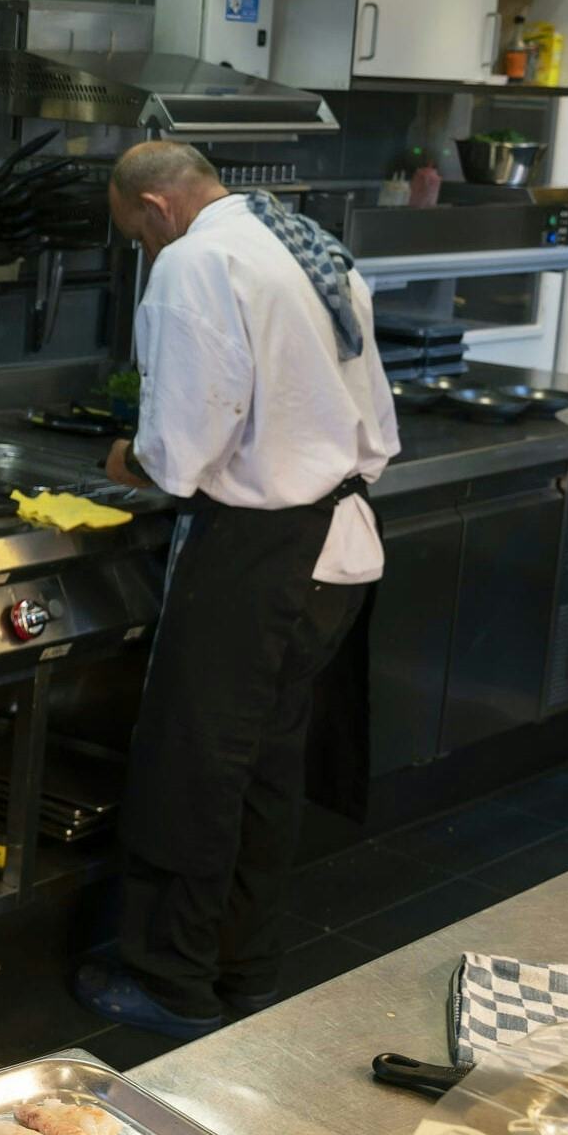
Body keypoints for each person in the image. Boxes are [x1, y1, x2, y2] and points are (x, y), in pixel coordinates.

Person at [73, 141, 400, 1039]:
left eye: (133, 236)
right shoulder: (307, 245)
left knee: (194, 770)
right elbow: (375, 419)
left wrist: (122, 458)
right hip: (336, 544)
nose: (141, 252)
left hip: (260, 553)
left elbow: (182, 452)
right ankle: (246, 968)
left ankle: (170, 983)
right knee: (262, 772)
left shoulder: (195, 261)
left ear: (155, 207)